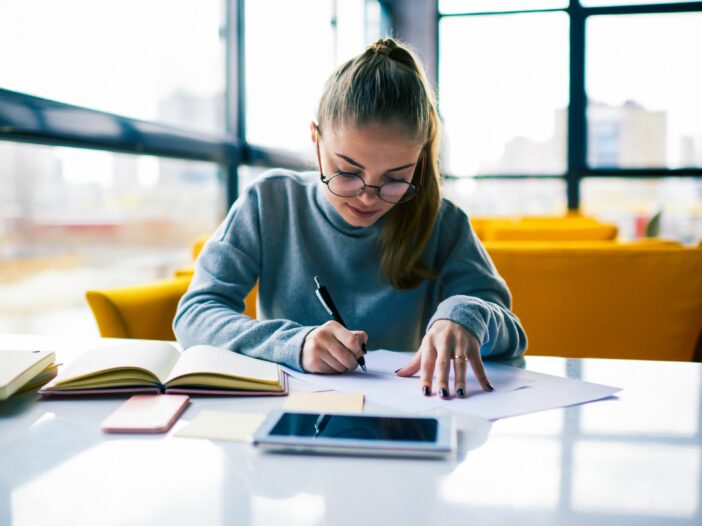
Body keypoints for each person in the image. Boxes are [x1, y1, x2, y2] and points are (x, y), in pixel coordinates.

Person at [174, 38, 527, 400]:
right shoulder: (270, 202)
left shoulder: (443, 222)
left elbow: (511, 335)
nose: (367, 196)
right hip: (289, 418)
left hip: (403, 420)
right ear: (315, 140)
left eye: (394, 179)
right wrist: (295, 343)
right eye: (347, 171)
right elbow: (195, 316)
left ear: (420, 158)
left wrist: (464, 315)